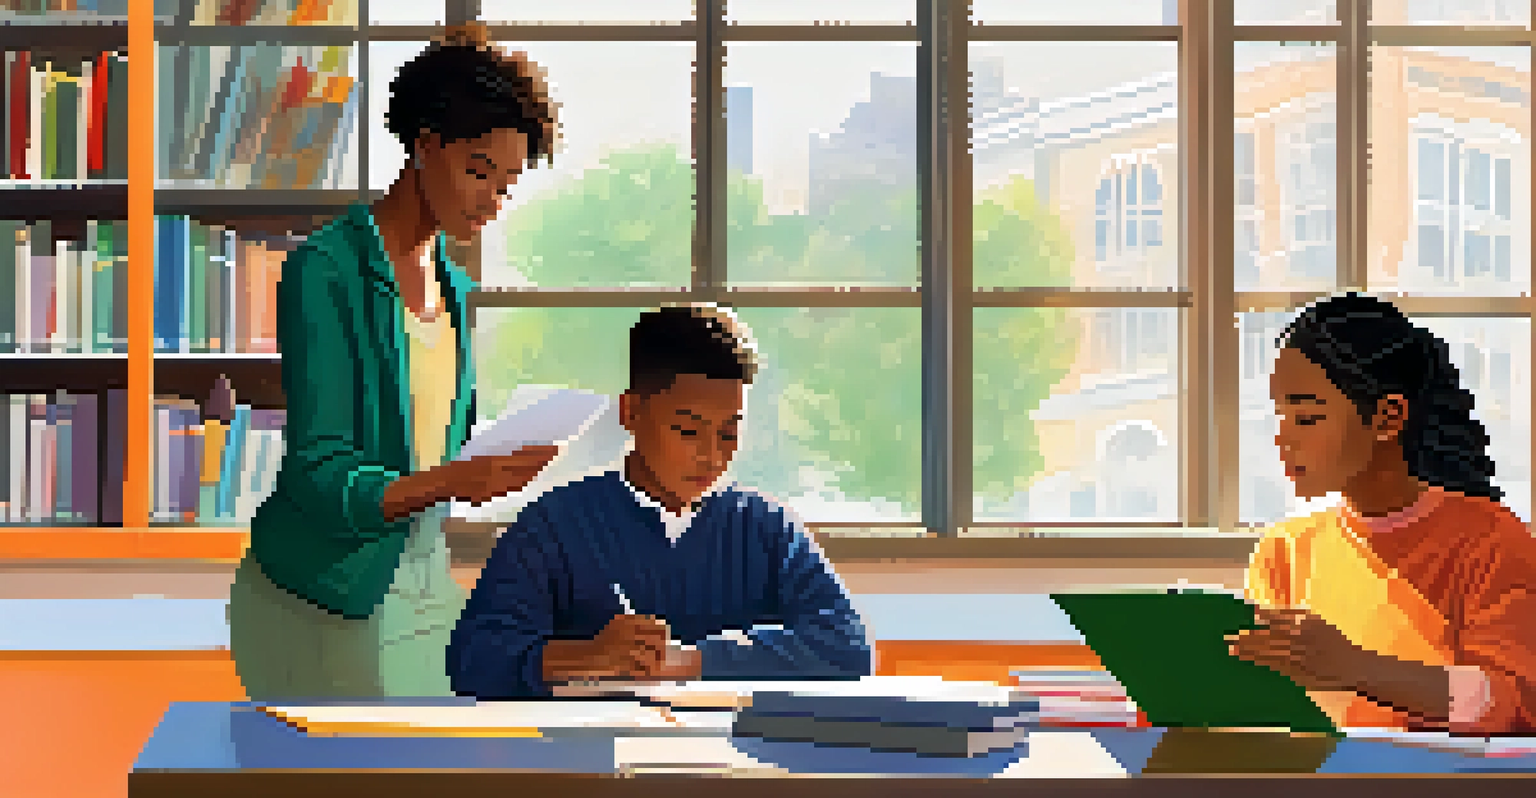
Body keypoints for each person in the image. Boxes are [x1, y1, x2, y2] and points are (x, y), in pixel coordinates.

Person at [228, 24, 562, 700]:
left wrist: (508, 464)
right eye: (477, 170)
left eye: (505, 184)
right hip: (321, 597)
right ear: (425, 143)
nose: (489, 201)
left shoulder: (457, 291)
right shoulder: (326, 271)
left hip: (425, 581)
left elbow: (435, 445)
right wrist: (452, 480)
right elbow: (321, 474)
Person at [448, 304, 873, 698]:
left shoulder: (765, 526)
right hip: (591, 762)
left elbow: (848, 643)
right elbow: (473, 660)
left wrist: (691, 661)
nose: (711, 454)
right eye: (688, 431)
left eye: (728, 432)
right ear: (630, 413)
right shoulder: (554, 524)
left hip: (733, 762)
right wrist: (588, 656)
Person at [1230, 292, 1536, 734]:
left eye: (1308, 418)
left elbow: (1514, 703)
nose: (1282, 439)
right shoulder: (1286, 551)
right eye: (1279, 415)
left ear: (1388, 418)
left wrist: (1354, 667)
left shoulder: (1491, 540)